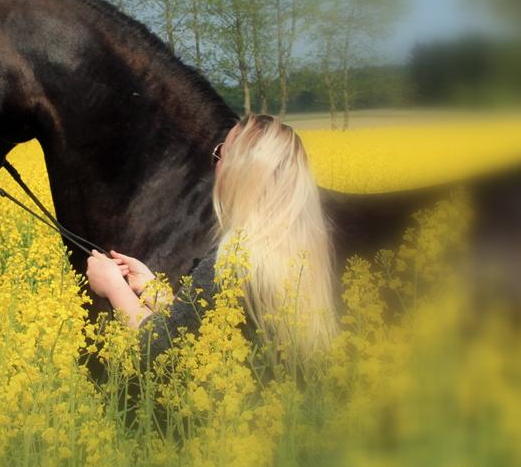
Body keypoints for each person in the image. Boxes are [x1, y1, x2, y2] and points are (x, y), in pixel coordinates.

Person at [85, 113, 339, 374]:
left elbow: (159, 348)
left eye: (221, 154)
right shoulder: (293, 251)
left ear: (240, 173)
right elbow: (215, 327)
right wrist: (155, 291)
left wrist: (113, 286)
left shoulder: (230, 262)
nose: (215, 164)